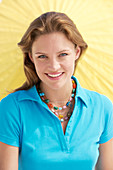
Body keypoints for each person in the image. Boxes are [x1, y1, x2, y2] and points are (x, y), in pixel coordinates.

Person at [0, 11, 113, 170]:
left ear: (77, 52)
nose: (53, 66)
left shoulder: (103, 107)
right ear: (31, 57)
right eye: (42, 56)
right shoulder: (11, 107)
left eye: (63, 54)